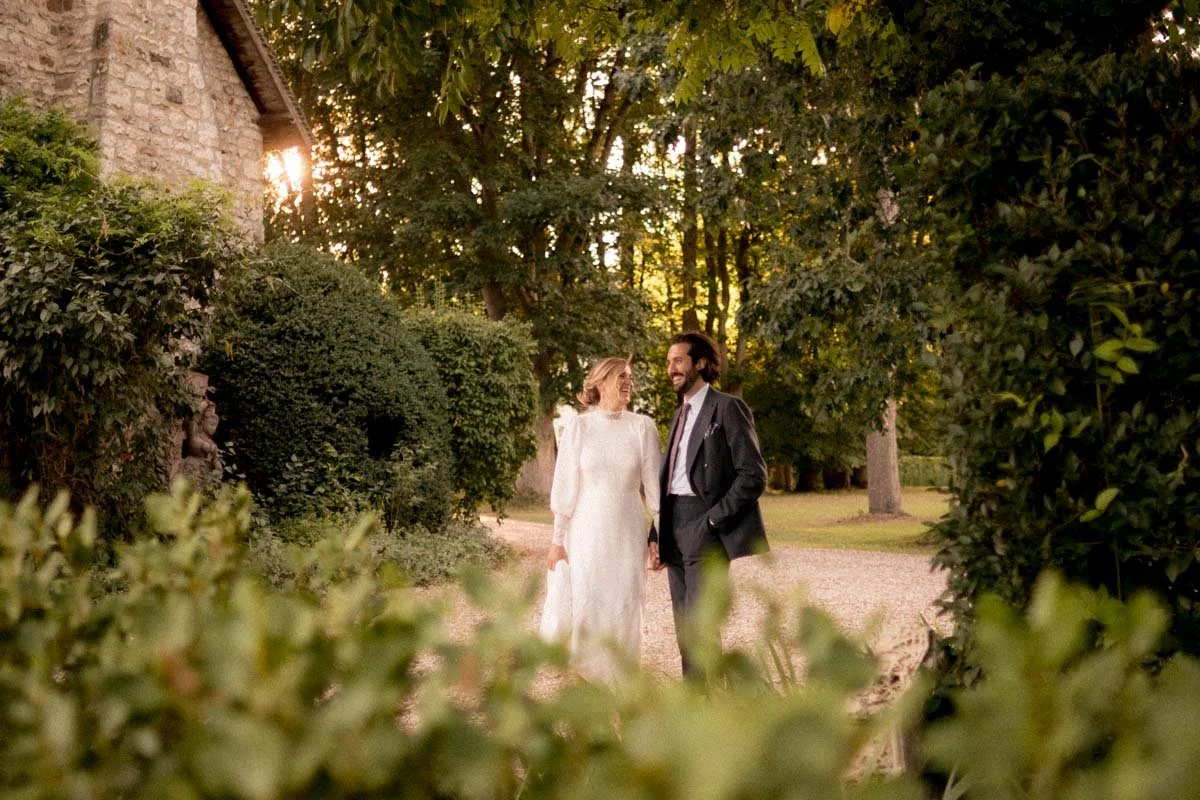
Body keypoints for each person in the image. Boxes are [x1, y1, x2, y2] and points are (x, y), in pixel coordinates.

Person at [648, 331, 768, 678]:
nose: (671, 368)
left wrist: (714, 521)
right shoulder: (678, 415)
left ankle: (711, 712)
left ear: (700, 363)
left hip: (706, 526)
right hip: (673, 524)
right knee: (685, 627)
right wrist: (655, 531)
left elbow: (753, 475)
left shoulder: (728, 408)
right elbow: (670, 477)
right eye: (668, 362)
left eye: (678, 361)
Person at [544, 356, 662, 681]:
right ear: (599, 383)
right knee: (586, 609)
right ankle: (586, 695)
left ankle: (625, 695)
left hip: (626, 534)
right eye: (620, 376)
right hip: (586, 535)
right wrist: (557, 542)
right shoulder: (579, 426)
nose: (628, 382)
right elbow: (565, 487)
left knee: (626, 609)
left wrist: (660, 538)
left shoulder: (643, 427)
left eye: (630, 377)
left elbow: (656, 494)